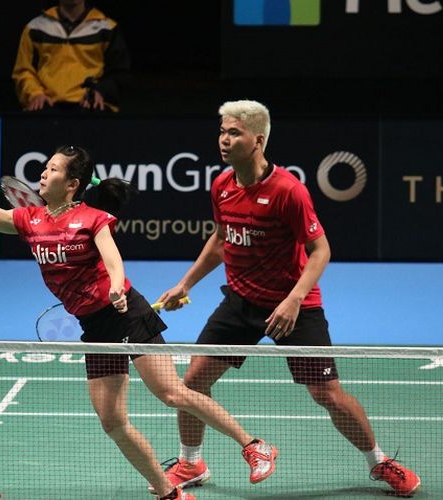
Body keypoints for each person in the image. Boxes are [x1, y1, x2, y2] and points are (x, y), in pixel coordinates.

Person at [0, 145, 278, 499]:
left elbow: (114, 261)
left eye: (52, 169)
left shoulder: (92, 218)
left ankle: (254, 445)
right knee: (112, 422)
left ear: (72, 184)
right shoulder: (30, 220)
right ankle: (170, 493)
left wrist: (117, 288)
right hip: (95, 329)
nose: (43, 173)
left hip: (126, 315)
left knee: (171, 392)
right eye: (44, 167)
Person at [156, 100, 421, 497]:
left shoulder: (287, 191)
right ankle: (191, 462)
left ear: (257, 140)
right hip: (241, 301)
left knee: (327, 394)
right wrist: (186, 283)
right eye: (223, 132)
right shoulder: (222, 186)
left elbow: (321, 250)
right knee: (193, 382)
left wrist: (294, 299)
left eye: (234, 133)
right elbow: (220, 238)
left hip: (294, 306)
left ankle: (380, 462)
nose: (224, 140)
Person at [11, 0, 131, 112]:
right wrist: (35, 94)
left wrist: (101, 91)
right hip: (47, 105)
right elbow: (23, 70)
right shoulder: (36, 28)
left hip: (90, 106)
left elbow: (119, 73)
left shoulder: (106, 28)